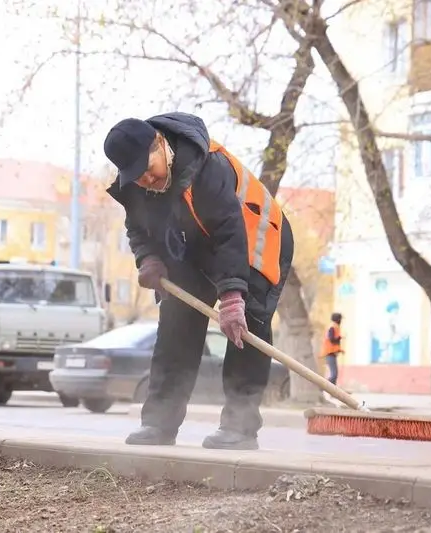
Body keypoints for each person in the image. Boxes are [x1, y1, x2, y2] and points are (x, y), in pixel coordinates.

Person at [103, 112, 295, 450]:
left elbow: (229, 232)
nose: (146, 179)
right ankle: (159, 424)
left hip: (257, 240)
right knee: (177, 324)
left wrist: (233, 295)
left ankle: (240, 427)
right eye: (137, 176)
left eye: (149, 169)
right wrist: (147, 257)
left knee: (245, 327)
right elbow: (137, 227)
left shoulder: (208, 167)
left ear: (160, 144)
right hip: (196, 247)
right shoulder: (136, 183)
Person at [321, 312, 344, 387]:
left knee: (335, 374)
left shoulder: (334, 327)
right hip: (330, 353)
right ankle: (323, 386)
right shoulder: (333, 327)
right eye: (340, 319)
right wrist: (339, 338)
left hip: (332, 353)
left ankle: (333, 391)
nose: (341, 321)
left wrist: (339, 350)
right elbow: (331, 339)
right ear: (338, 319)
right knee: (334, 374)